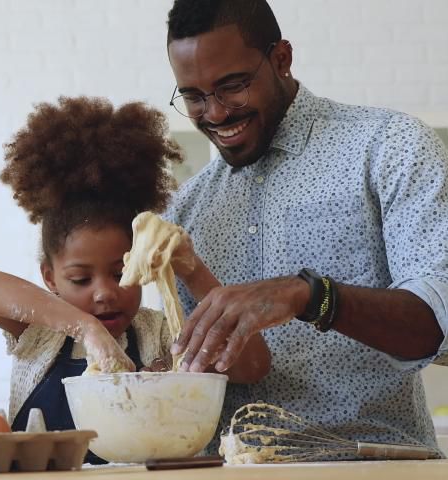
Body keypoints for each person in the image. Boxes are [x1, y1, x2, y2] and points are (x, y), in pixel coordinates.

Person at [162, 0, 448, 454]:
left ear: (281, 59)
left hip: (374, 468)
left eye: (232, 87)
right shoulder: (185, 211)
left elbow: (437, 325)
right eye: (194, 96)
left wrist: (310, 294)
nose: (214, 114)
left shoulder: (387, 147)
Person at [0, 96, 271, 463]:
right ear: (50, 277)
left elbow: (253, 366)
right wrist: (86, 330)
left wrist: (192, 269)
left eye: (121, 272)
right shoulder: (39, 333)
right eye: (80, 279)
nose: (105, 293)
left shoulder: (159, 336)